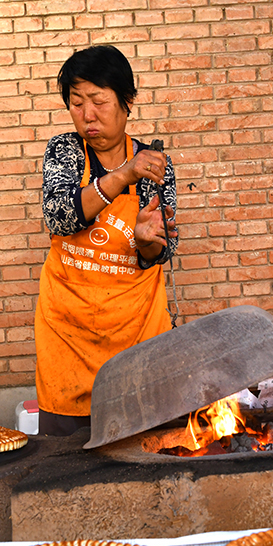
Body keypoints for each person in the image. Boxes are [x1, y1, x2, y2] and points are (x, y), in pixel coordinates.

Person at [35, 44, 179, 437]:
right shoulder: (65, 149)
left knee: (147, 443)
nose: (87, 115)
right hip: (68, 333)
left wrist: (147, 239)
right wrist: (123, 177)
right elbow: (59, 216)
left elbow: (160, 252)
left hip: (137, 333)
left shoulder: (153, 162)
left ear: (127, 101)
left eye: (98, 101)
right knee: (66, 453)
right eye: (76, 103)